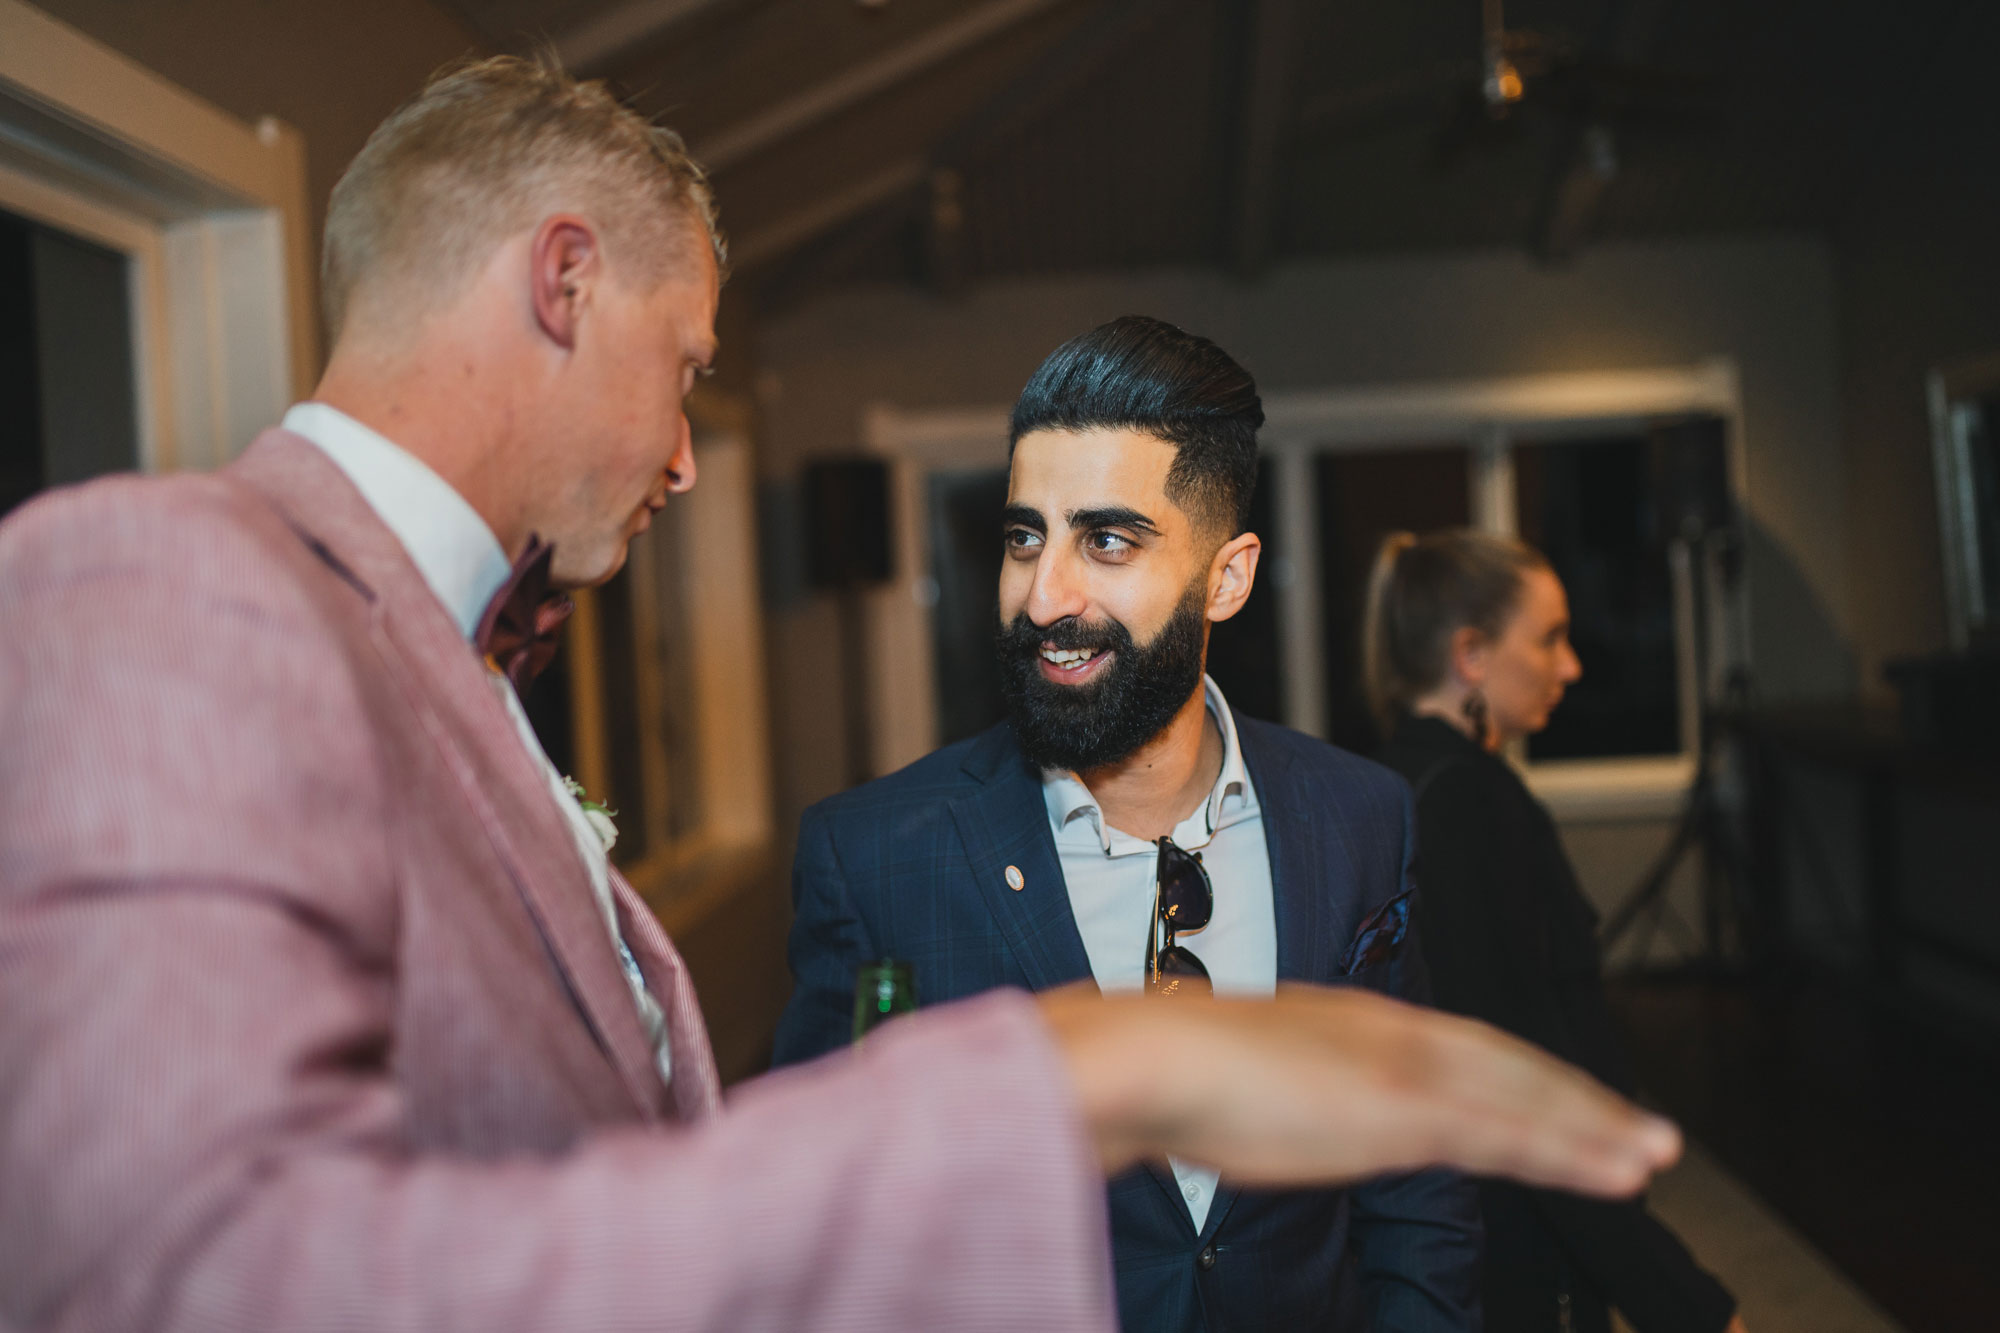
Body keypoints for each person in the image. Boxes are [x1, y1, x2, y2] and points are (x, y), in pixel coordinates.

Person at [0, 55, 1681, 1333]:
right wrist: (1079, 1077)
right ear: (564, 283)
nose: (680, 452)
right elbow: (173, 1277)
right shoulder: (163, 576)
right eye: (688, 369)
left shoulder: (449, 662)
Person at [775, 316, 1483, 1332]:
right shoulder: (878, 859)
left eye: (1105, 539)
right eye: (1025, 537)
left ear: (1227, 577)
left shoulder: (1357, 819)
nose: (1043, 594)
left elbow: (1412, 1174)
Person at [1367, 529, 1745, 1333]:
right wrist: (1684, 1304)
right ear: (1471, 654)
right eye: (1548, 638)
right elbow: (1530, 1092)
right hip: (1515, 1249)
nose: (1570, 666)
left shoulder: (1389, 786)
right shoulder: (1476, 808)